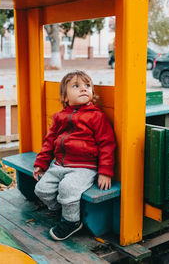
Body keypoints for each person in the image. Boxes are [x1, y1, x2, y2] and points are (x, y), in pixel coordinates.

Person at [33, 70, 116, 241]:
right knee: (41, 190)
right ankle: (63, 209)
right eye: (76, 86)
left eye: (87, 86)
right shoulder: (59, 117)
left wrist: (105, 171)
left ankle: (72, 221)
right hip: (59, 165)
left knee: (68, 188)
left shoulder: (97, 117)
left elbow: (107, 144)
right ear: (65, 96)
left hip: (84, 167)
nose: (83, 89)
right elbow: (49, 141)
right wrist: (41, 163)